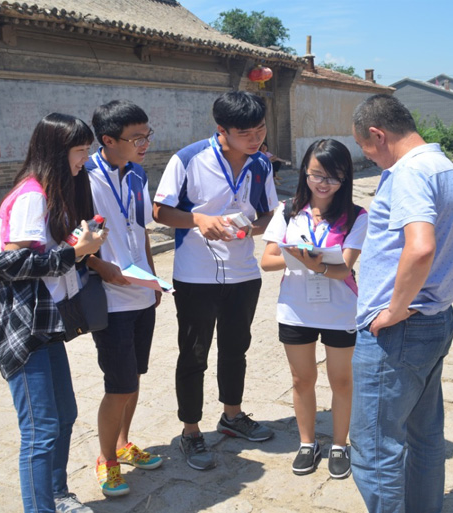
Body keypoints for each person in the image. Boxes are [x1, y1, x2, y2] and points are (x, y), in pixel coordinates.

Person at [349, 94, 453, 513]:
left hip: (400, 331)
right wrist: (435, 284)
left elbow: (420, 248)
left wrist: (396, 308)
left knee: (374, 448)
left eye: (365, 148)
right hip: (435, 321)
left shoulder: (409, 172)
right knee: (424, 437)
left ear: (377, 135)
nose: (369, 157)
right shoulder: (446, 169)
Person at [0, 113, 107, 513]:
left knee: (64, 415)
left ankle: (56, 493)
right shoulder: (33, 196)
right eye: (80, 150)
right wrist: (76, 252)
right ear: (56, 151)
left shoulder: (50, 191)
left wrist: (78, 245)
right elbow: (13, 264)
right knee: (40, 430)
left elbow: (43, 252)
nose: (84, 159)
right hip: (25, 325)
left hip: (47, 321)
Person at [153, 91, 279, 470]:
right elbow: (160, 211)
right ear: (221, 130)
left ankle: (232, 415)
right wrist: (197, 219)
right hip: (196, 274)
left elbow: (268, 212)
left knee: (236, 348)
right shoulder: (188, 159)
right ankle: (191, 431)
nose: (255, 139)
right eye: (245, 133)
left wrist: (251, 229)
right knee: (194, 353)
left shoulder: (261, 164)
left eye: (260, 129)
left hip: (243, 272)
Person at [260, 139, 367, 479]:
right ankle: (307, 443)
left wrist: (315, 264)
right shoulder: (287, 211)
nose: (323, 183)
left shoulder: (356, 216)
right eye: (316, 174)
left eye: (333, 177)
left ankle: (340, 444)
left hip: (341, 310)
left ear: (345, 178)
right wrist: (298, 256)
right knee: (301, 379)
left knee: (342, 380)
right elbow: (267, 260)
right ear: (305, 171)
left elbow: (344, 269)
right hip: (296, 310)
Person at [84, 100, 163, 497]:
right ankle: (107, 460)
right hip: (111, 298)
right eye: (136, 138)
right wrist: (102, 267)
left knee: (134, 379)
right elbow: (70, 238)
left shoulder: (136, 174)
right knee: (118, 384)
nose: (144, 144)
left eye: (147, 135)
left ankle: (123, 443)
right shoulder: (84, 178)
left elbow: (141, 229)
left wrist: (152, 278)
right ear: (108, 140)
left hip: (140, 293)